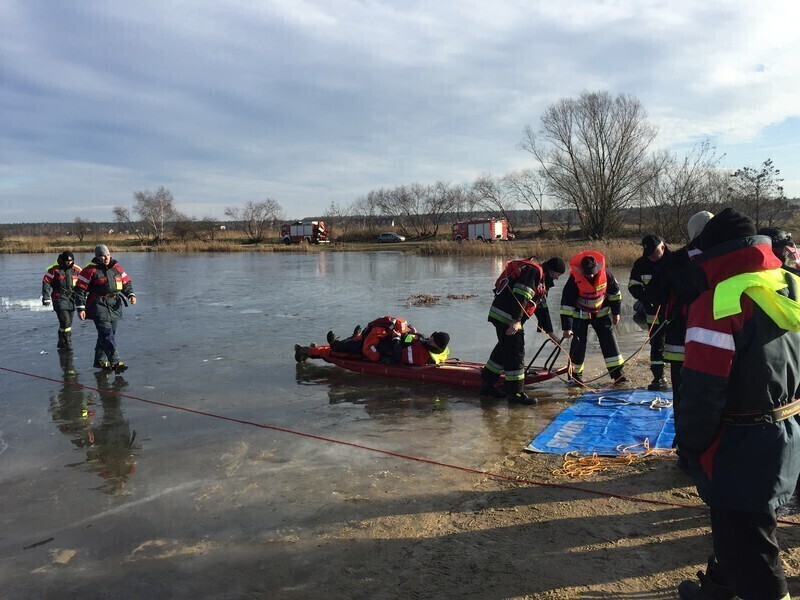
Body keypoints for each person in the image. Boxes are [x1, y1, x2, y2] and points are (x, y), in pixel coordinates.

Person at [675, 208, 800, 599]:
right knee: (747, 533)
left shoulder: (718, 302)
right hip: (792, 429)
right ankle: (718, 588)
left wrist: (691, 448)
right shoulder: (792, 284)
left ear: (711, 255)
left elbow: (701, 393)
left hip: (742, 443)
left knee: (751, 549)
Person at [645, 211, 713, 413]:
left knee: (683, 396)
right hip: (722, 336)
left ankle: (684, 440)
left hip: (682, 337)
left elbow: (655, 295)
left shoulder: (678, 259)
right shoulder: (729, 255)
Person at [481, 256, 566, 406]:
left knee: (504, 348)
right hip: (507, 317)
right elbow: (521, 295)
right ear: (553, 271)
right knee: (516, 352)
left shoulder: (541, 280)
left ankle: (488, 385)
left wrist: (550, 332)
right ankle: (516, 394)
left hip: (505, 315)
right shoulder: (534, 272)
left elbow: (541, 308)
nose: (558, 278)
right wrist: (516, 320)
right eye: (559, 274)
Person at [559, 251, 625, 384]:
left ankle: (618, 373)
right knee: (578, 344)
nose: (590, 275)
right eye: (587, 273)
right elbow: (566, 304)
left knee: (609, 341)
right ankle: (575, 376)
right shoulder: (574, 280)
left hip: (601, 314)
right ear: (582, 271)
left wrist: (616, 313)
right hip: (580, 315)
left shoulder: (606, 275)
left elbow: (615, 294)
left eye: (592, 272)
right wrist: (567, 327)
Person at [75, 244, 137, 373]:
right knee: (106, 334)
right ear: (97, 256)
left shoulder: (117, 268)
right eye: (103, 255)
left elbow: (126, 283)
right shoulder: (89, 270)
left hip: (114, 304)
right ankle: (116, 362)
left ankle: (100, 360)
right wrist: (81, 308)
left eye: (108, 255)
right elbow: (80, 290)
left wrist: (130, 294)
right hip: (98, 304)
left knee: (108, 335)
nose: (106, 258)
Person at [628, 235, 671, 391]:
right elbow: (633, 285)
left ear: (663, 247)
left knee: (678, 347)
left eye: (654, 252)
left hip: (673, 315)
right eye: (649, 254)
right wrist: (646, 299)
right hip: (653, 314)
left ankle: (682, 378)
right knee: (656, 346)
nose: (652, 257)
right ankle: (659, 377)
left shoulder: (674, 261)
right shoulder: (641, 264)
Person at [295, 323, 450, 366]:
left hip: (381, 352)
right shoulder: (436, 349)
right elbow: (416, 342)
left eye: (432, 340)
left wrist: (396, 339)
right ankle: (313, 349)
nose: (429, 339)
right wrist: (412, 334)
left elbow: (398, 356)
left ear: (436, 345)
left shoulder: (421, 354)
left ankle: (308, 351)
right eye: (431, 337)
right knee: (358, 341)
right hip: (384, 344)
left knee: (339, 352)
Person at [41, 250, 82, 350]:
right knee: (66, 321)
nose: (69, 263)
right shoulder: (54, 270)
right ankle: (68, 341)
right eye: (67, 262)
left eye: (71, 261)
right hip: (59, 297)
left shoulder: (77, 270)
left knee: (67, 323)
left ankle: (61, 339)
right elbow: (46, 282)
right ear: (62, 261)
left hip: (72, 299)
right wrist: (46, 298)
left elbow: (83, 283)